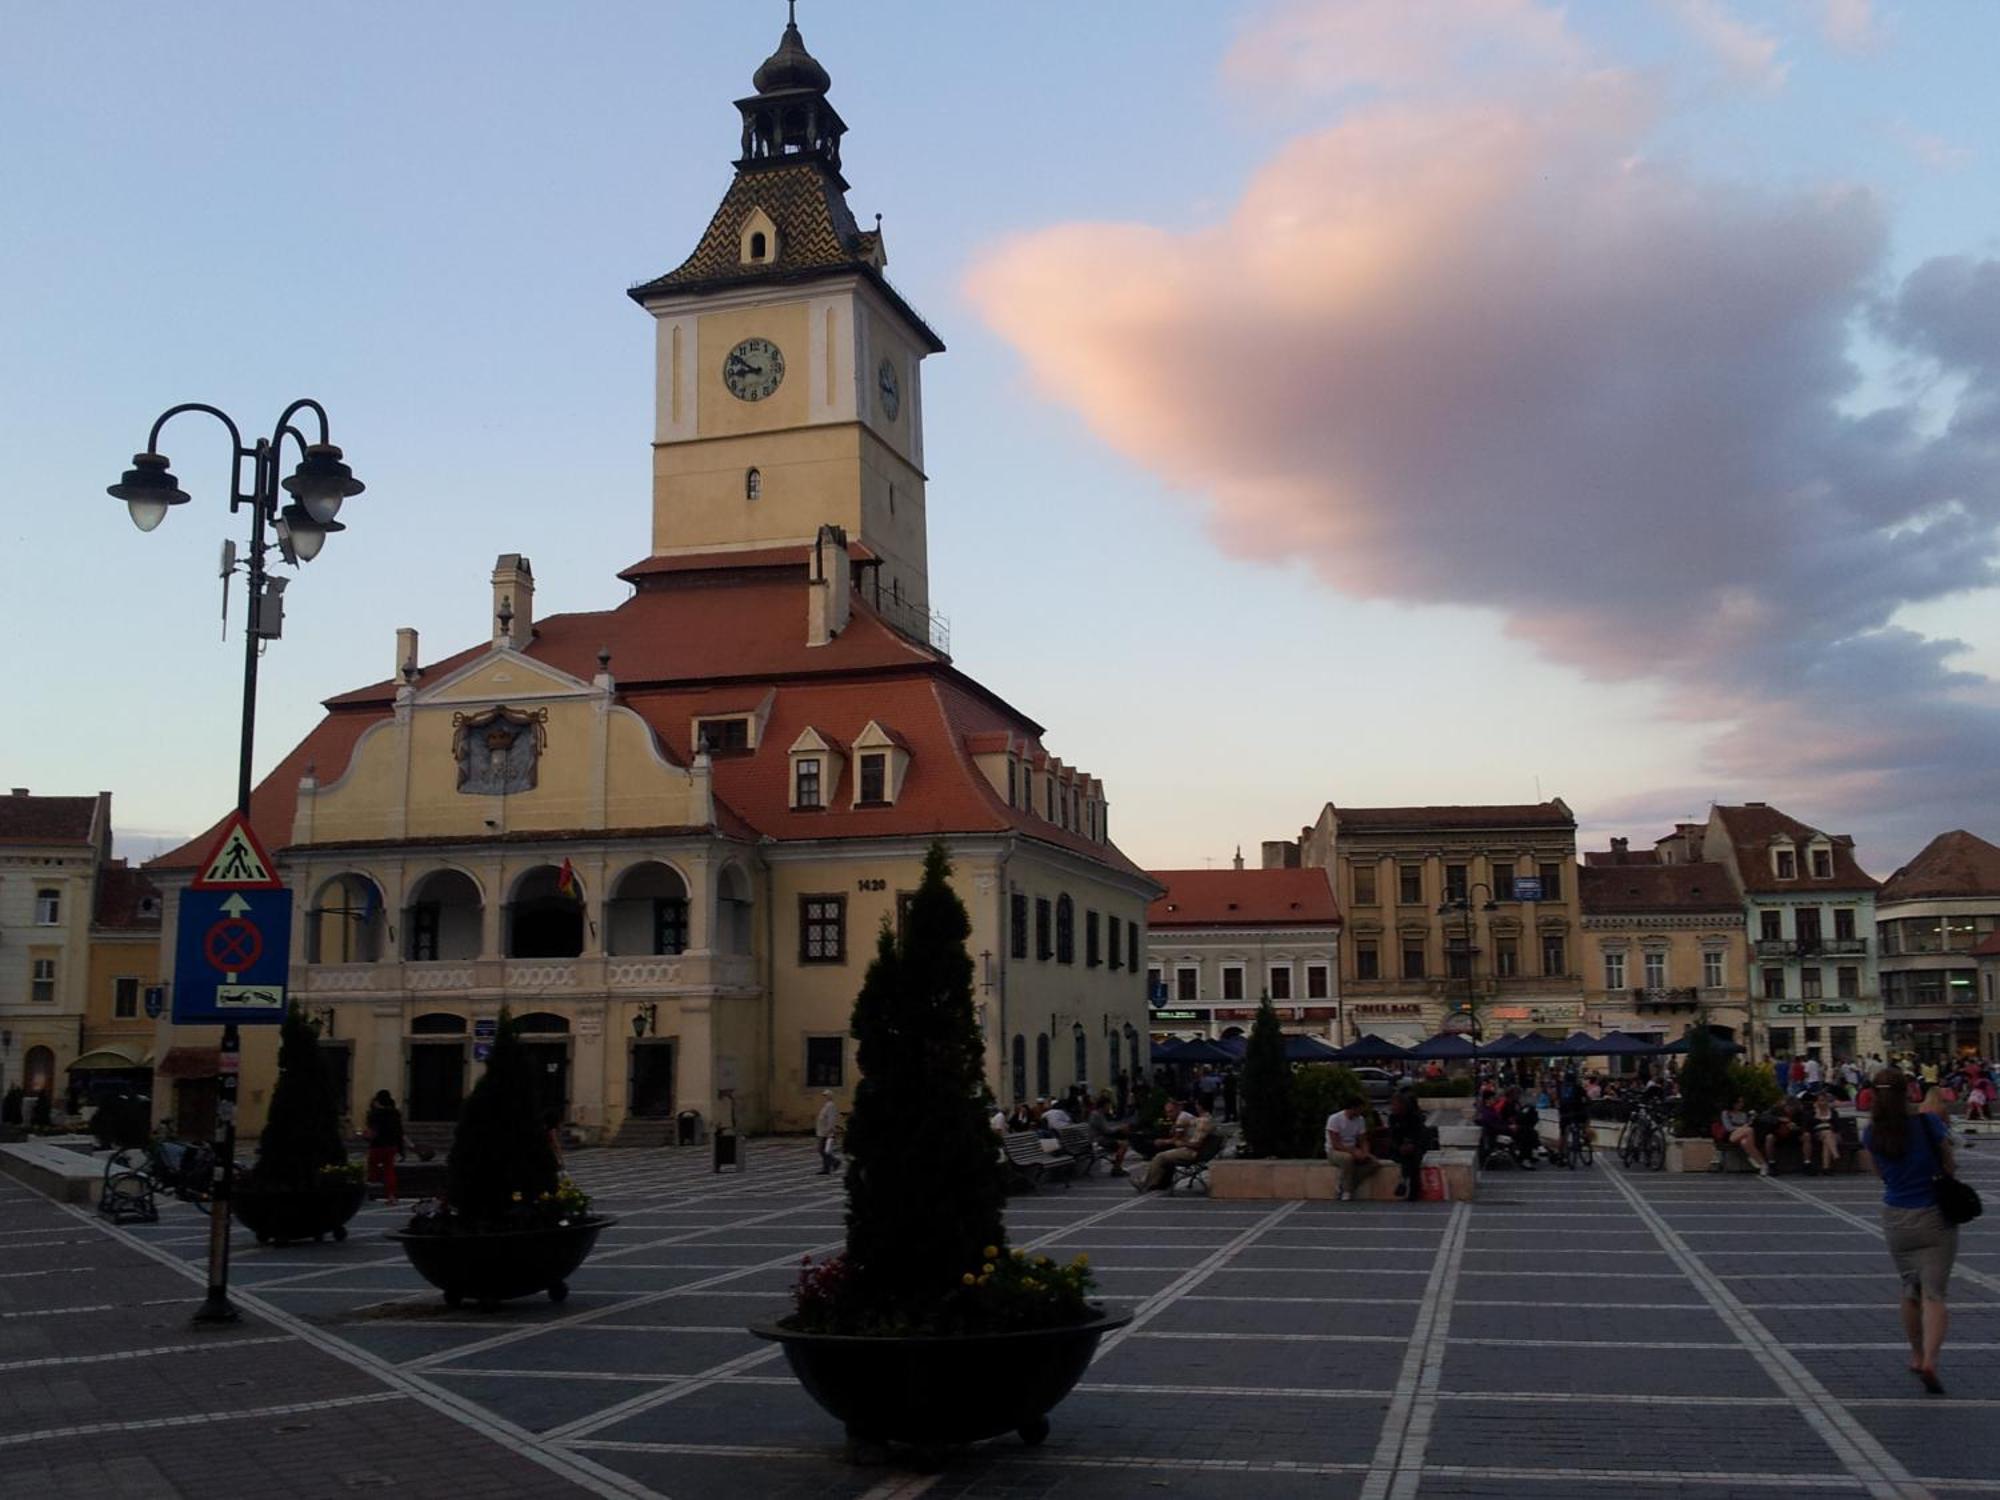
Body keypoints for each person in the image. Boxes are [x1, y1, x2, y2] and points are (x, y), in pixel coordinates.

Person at [1863, 1068, 1958, 1394]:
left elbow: (1880, 1174)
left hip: (1896, 1217)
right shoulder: (1927, 1123)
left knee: (1909, 1288)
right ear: (1909, 1091)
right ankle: (1931, 1358)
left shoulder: (1872, 1132)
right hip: (1933, 1214)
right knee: (1935, 1293)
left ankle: (1916, 1355)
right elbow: (1948, 1162)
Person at [1137, 1100, 1212, 1192]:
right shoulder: (1201, 1118)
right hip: (1193, 1150)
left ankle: (1145, 1183)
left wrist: (1171, 1142)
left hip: (1191, 1152)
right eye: (1167, 1112)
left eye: (1171, 1111)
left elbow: (1184, 1140)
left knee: (1160, 1156)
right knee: (1163, 1154)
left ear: (1199, 1106)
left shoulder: (1194, 1119)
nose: (1168, 1114)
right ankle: (1157, 1182)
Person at [1326, 1099, 1385, 1202]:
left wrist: (1365, 1153)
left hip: (1352, 1148)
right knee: (1348, 1159)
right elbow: (1336, 1144)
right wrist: (1353, 1152)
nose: (1361, 1112)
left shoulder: (1360, 1120)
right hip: (1335, 1150)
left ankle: (1344, 1185)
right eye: (1359, 1109)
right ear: (1353, 1108)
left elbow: (1363, 1140)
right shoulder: (1334, 1119)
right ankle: (1347, 1192)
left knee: (1374, 1164)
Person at [364, 1089, 407, 1207]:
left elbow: (371, 1131)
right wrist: (401, 1149)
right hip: (391, 1145)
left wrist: (366, 1136)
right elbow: (399, 1132)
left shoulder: (374, 1114)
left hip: (377, 1145)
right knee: (389, 1170)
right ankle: (391, 1196)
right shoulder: (395, 1114)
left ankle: (371, 1191)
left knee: (372, 1166)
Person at [1385, 1088, 1429, 1201]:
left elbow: (1419, 1135)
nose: (1392, 1107)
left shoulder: (1414, 1117)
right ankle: (1405, 1182)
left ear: (1403, 1105)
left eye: (1395, 1104)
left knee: (1413, 1157)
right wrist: (1400, 1146)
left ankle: (1406, 1183)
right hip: (1397, 1147)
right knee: (1406, 1157)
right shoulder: (1393, 1118)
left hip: (1414, 1146)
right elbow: (1392, 1136)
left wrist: (1410, 1144)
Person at [1715, 1096, 1768, 1174]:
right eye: (1739, 1102)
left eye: (1742, 1102)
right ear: (1733, 1103)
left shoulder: (1743, 1114)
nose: (1741, 1104)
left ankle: (1763, 1165)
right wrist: (1742, 1127)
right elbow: (1728, 1128)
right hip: (1731, 1135)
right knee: (1749, 1130)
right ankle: (1753, 1156)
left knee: (1744, 1142)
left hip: (1743, 1135)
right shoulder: (1726, 1113)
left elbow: (1747, 1124)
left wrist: (1751, 1119)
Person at [1808, 1090, 1841, 1174]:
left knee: (1827, 1140)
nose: (1824, 1102)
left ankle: (1826, 1168)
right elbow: (1809, 1125)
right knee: (1827, 1134)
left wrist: (1830, 1123)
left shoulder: (1833, 1112)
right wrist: (1818, 1117)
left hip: (1831, 1135)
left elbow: (1837, 1125)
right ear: (1817, 1102)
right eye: (1821, 1100)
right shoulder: (1813, 1112)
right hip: (1817, 1134)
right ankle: (1835, 1154)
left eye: (1825, 1100)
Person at [814, 1090, 840, 1175]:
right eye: (824, 1096)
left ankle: (835, 1161)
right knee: (824, 1150)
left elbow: (831, 1120)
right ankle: (826, 1168)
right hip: (822, 1131)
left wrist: (829, 1130)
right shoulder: (826, 1105)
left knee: (821, 1150)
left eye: (826, 1095)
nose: (825, 1097)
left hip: (825, 1132)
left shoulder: (831, 1106)